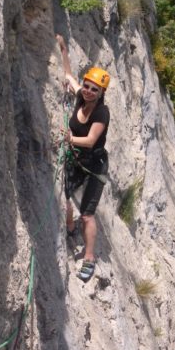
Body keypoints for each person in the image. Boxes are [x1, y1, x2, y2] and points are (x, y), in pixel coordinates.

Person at [56, 34, 111, 281]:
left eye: (94, 89)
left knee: (87, 214)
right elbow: (68, 76)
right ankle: (69, 228)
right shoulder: (81, 97)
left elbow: (90, 140)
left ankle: (89, 257)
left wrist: (69, 140)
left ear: (101, 93)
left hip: (94, 166)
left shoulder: (102, 113)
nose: (88, 91)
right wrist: (64, 49)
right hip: (77, 159)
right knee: (65, 197)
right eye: (87, 86)